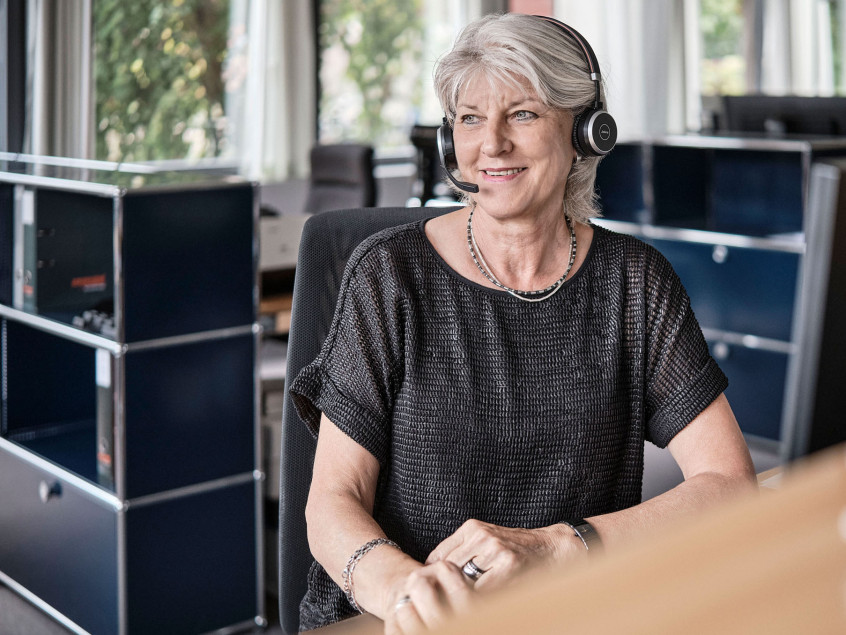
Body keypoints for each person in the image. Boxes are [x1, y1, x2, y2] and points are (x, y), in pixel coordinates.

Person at [290, 12, 757, 634]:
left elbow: (729, 482)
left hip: (570, 615)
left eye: (524, 114)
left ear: (586, 131)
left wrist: (564, 546)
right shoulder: (390, 276)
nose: (492, 145)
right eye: (471, 118)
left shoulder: (633, 282)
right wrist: (405, 586)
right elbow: (331, 501)